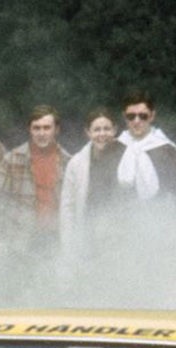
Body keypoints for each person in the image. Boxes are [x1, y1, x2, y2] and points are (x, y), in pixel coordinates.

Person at [0, 105, 69, 256]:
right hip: (19, 240)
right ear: (29, 129)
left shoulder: (69, 162)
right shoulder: (12, 159)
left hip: (56, 240)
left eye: (47, 128)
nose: (41, 133)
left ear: (56, 129)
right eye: (36, 128)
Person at [59, 109, 126, 259]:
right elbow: (67, 207)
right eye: (97, 130)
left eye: (107, 129)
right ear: (88, 132)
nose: (102, 134)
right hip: (88, 238)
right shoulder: (76, 163)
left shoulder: (129, 156)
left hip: (122, 238)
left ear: (115, 130)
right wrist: (68, 246)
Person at [117, 91, 176, 199]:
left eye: (143, 116)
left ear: (152, 116)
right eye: (131, 116)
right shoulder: (116, 147)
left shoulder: (167, 149)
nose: (136, 121)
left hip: (159, 212)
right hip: (119, 212)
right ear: (124, 116)